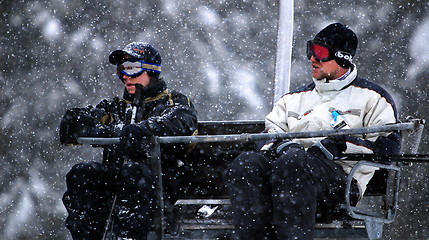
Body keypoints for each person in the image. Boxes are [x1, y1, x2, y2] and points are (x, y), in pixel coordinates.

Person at [224, 23, 401, 240]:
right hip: (287, 179)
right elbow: (269, 133)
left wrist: (340, 144)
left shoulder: (371, 98)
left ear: (342, 57)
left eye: (320, 53)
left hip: (339, 184)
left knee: (295, 163)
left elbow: (387, 147)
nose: (312, 58)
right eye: (310, 50)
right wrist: (284, 146)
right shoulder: (294, 99)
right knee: (247, 163)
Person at [60, 42, 198, 240]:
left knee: (134, 173)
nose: (125, 76)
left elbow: (181, 122)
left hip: (158, 186)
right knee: (84, 173)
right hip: (116, 182)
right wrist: (79, 123)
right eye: (121, 70)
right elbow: (80, 122)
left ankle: (130, 237)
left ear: (150, 70)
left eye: (132, 69)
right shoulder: (116, 107)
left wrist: (145, 130)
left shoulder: (173, 102)